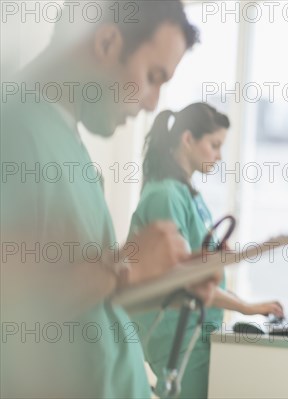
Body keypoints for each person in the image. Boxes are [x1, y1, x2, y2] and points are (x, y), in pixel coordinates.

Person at [0, 2, 220, 397]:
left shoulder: (68, 140)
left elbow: (81, 304)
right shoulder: (13, 130)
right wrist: (128, 262)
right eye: (153, 77)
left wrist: (167, 288)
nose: (154, 103)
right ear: (105, 42)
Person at [128, 102, 284, 398]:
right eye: (214, 145)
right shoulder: (165, 195)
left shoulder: (187, 193)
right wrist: (246, 307)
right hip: (178, 332)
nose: (219, 155)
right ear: (188, 140)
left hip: (195, 329)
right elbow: (183, 277)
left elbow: (195, 262)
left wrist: (213, 259)